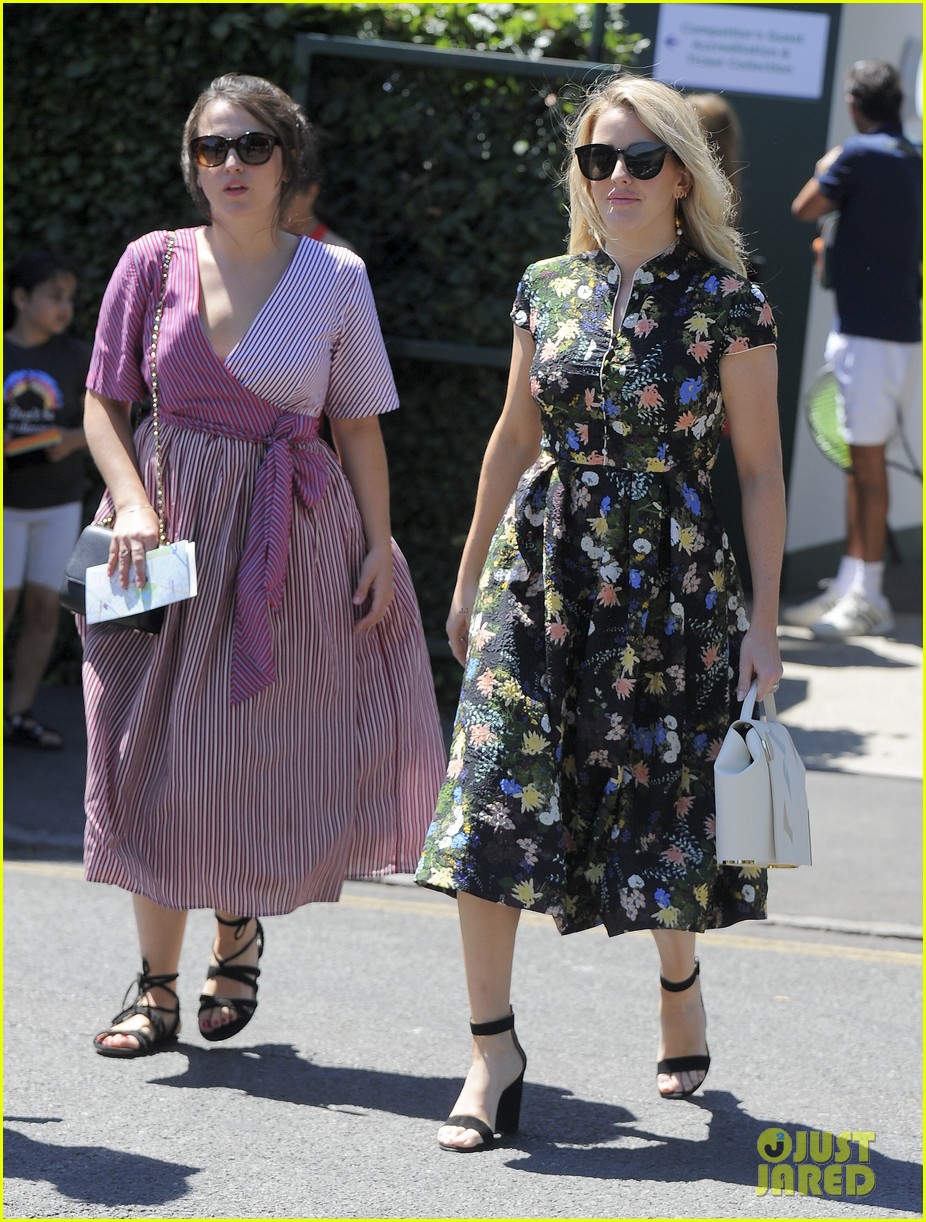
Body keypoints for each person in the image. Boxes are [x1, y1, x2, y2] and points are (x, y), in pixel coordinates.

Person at [415, 72, 785, 1151]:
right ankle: (491, 1050)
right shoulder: (544, 285)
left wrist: (764, 622)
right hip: (539, 574)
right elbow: (510, 438)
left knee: (659, 810)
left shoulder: (729, 301)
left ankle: (679, 974)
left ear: (680, 173)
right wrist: (467, 572)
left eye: (636, 159)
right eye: (595, 160)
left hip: (668, 585)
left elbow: (758, 474)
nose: (613, 178)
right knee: (489, 799)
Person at [83, 73, 446, 1057]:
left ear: (286, 159)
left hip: (284, 534)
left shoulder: (334, 279)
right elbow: (103, 404)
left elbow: (359, 426)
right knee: (145, 747)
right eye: (211, 148)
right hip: (154, 534)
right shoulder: (149, 263)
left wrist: (377, 544)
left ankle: (235, 928)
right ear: (191, 161)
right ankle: (154, 988)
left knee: (248, 749)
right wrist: (132, 502)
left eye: (250, 147)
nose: (229, 165)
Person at [787, 60, 921, 638]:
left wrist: (826, 164)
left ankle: (868, 596)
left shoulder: (858, 155)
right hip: (887, 331)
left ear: (854, 103)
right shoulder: (913, 158)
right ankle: (848, 583)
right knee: (857, 459)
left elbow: (805, 206)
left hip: (869, 335)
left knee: (865, 462)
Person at [4, 250, 89, 749]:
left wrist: (73, 441)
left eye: (70, 299)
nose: (64, 308)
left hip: (57, 505)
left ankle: (20, 716)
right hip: (6, 510)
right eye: (54, 297)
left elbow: (109, 418)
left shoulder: (75, 356)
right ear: (20, 297)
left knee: (42, 611)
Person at [284, 181, 355, 251]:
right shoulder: (276, 247)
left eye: (287, 198)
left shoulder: (338, 254)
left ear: (311, 192)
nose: (278, 206)